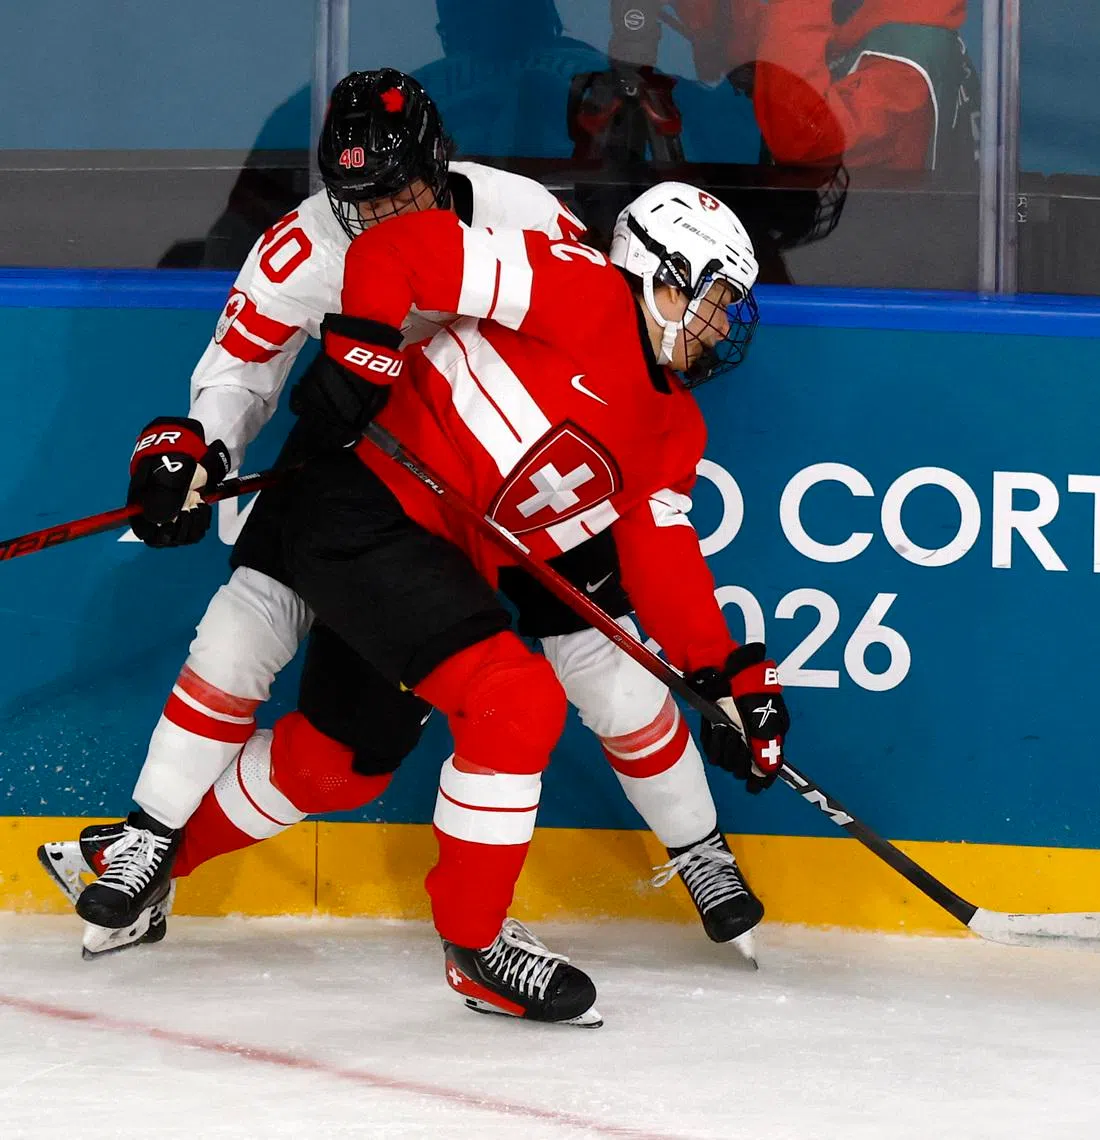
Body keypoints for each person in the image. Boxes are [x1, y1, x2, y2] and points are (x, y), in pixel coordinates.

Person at [39, 74, 767, 965]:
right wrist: (201, 452)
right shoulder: (298, 250)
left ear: (438, 161)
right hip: (359, 457)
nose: (377, 212)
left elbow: (591, 357)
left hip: (505, 498)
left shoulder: (522, 211)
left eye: (398, 190)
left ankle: (697, 850)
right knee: (243, 637)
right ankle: (149, 836)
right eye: (357, 198)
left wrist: (727, 669)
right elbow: (239, 372)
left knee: (579, 689)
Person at [166, 179, 787, 1025]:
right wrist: (362, 349)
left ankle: (155, 869)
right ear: (661, 278)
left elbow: (663, 556)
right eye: (715, 300)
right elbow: (399, 251)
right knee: (516, 701)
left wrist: (728, 675)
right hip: (361, 500)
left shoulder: (676, 430)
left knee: (338, 764)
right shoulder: (577, 284)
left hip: (434, 564)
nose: (721, 327)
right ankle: (477, 949)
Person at [674, 0, 980, 177]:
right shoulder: (859, 16)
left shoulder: (908, 63)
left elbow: (801, 140)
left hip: (870, 268)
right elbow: (730, 52)